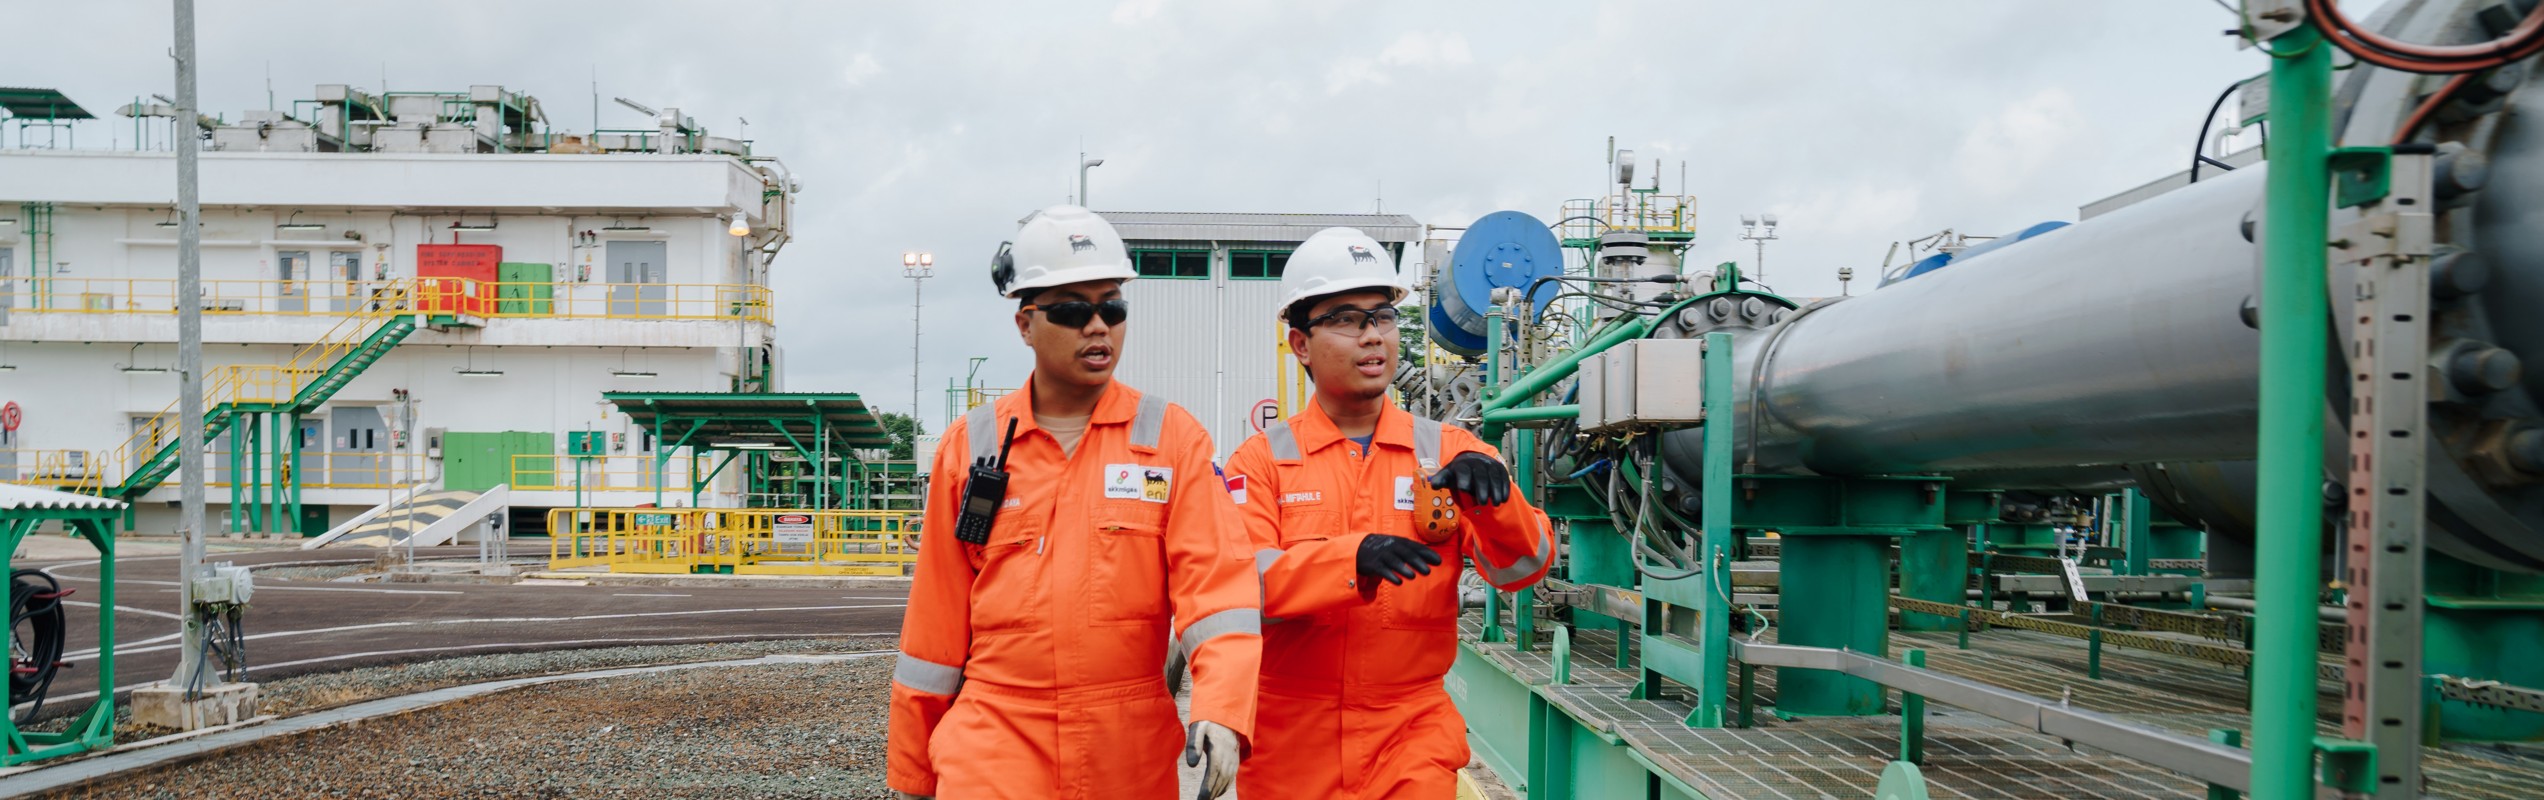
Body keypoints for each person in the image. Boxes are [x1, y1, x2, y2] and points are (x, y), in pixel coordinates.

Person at [887, 205, 1259, 799]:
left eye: (1112, 307)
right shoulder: (974, 446)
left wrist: (1222, 707)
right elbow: (934, 623)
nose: (1098, 326)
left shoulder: (1169, 439)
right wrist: (912, 768)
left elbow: (1216, 589)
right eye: (1072, 310)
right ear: (1025, 323)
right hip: (995, 733)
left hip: (1127, 744)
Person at [1224, 227, 1554, 799]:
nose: (1373, 336)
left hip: (1410, 732)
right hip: (1290, 740)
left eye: (1381, 317)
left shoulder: (1450, 452)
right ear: (1301, 344)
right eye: (1348, 320)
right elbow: (1240, 583)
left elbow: (1523, 568)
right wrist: (1351, 560)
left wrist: (1500, 505)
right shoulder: (1261, 462)